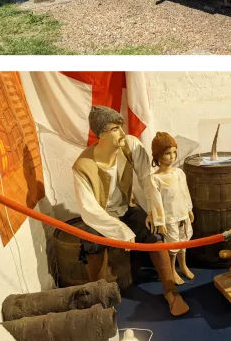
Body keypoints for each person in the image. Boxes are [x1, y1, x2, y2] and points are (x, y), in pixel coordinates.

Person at [72, 106, 189, 316]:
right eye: (115, 129)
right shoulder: (83, 166)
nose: (122, 133)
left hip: (127, 208)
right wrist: (122, 233)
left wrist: (154, 211)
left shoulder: (129, 146)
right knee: (90, 244)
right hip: (102, 217)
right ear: (101, 134)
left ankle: (171, 292)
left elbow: (147, 178)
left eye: (121, 127)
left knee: (155, 235)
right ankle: (96, 297)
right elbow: (88, 210)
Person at [145, 132, 195, 285]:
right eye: (167, 153)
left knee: (184, 241)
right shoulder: (155, 179)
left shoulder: (179, 173)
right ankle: (172, 270)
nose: (172, 156)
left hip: (182, 214)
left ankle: (184, 265)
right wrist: (160, 221)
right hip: (170, 217)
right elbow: (156, 202)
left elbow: (185, 192)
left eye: (174, 152)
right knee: (173, 244)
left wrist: (189, 209)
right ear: (158, 156)